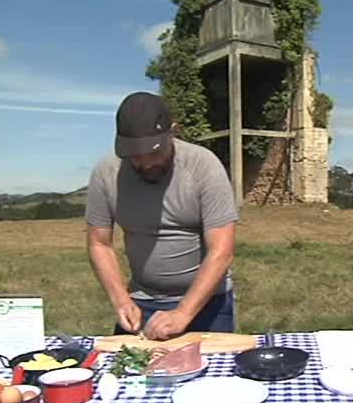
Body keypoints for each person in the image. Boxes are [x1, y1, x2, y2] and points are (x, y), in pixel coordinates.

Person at [85, 91, 239, 341]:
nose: (146, 164)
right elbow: (99, 244)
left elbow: (221, 251)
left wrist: (183, 312)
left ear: (173, 132)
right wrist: (121, 299)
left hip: (209, 302)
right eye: (135, 156)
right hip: (142, 301)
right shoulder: (106, 173)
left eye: (154, 153)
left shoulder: (203, 166)